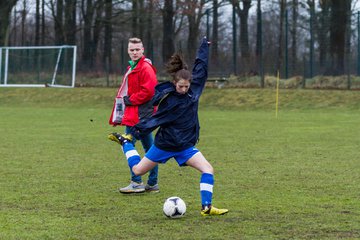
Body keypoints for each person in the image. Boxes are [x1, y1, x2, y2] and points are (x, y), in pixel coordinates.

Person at [109, 37, 228, 216]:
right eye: (180, 86)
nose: (184, 90)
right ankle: (126, 144)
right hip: (165, 145)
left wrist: (204, 47)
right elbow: (154, 120)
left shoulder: (194, 91)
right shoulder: (169, 101)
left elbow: (201, 67)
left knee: (208, 169)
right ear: (174, 84)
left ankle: (206, 207)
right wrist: (133, 134)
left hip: (185, 146)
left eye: (187, 86)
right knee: (137, 170)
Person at [108, 37, 159, 194]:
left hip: (139, 115)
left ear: (143, 50)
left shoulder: (145, 68)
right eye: (132, 50)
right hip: (138, 114)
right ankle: (152, 183)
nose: (135, 52)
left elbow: (149, 91)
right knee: (150, 149)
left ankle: (136, 182)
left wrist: (130, 100)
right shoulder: (135, 66)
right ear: (128, 51)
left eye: (137, 49)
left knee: (127, 143)